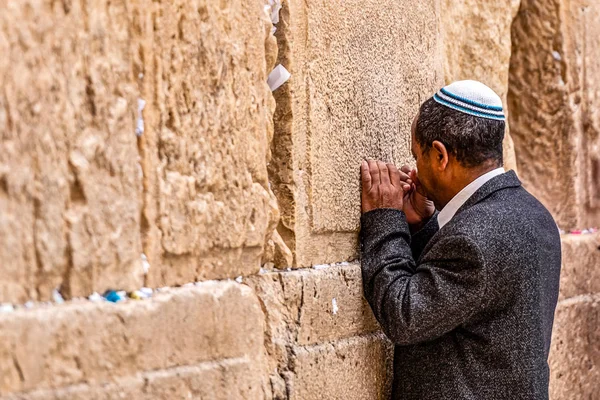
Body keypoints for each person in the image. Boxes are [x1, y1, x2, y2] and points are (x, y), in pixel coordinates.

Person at [359, 80, 561, 400]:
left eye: (418, 156)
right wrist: (424, 226)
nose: (416, 170)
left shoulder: (473, 238)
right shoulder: (535, 215)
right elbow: (464, 297)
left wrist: (385, 217)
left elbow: (405, 314)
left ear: (440, 155)